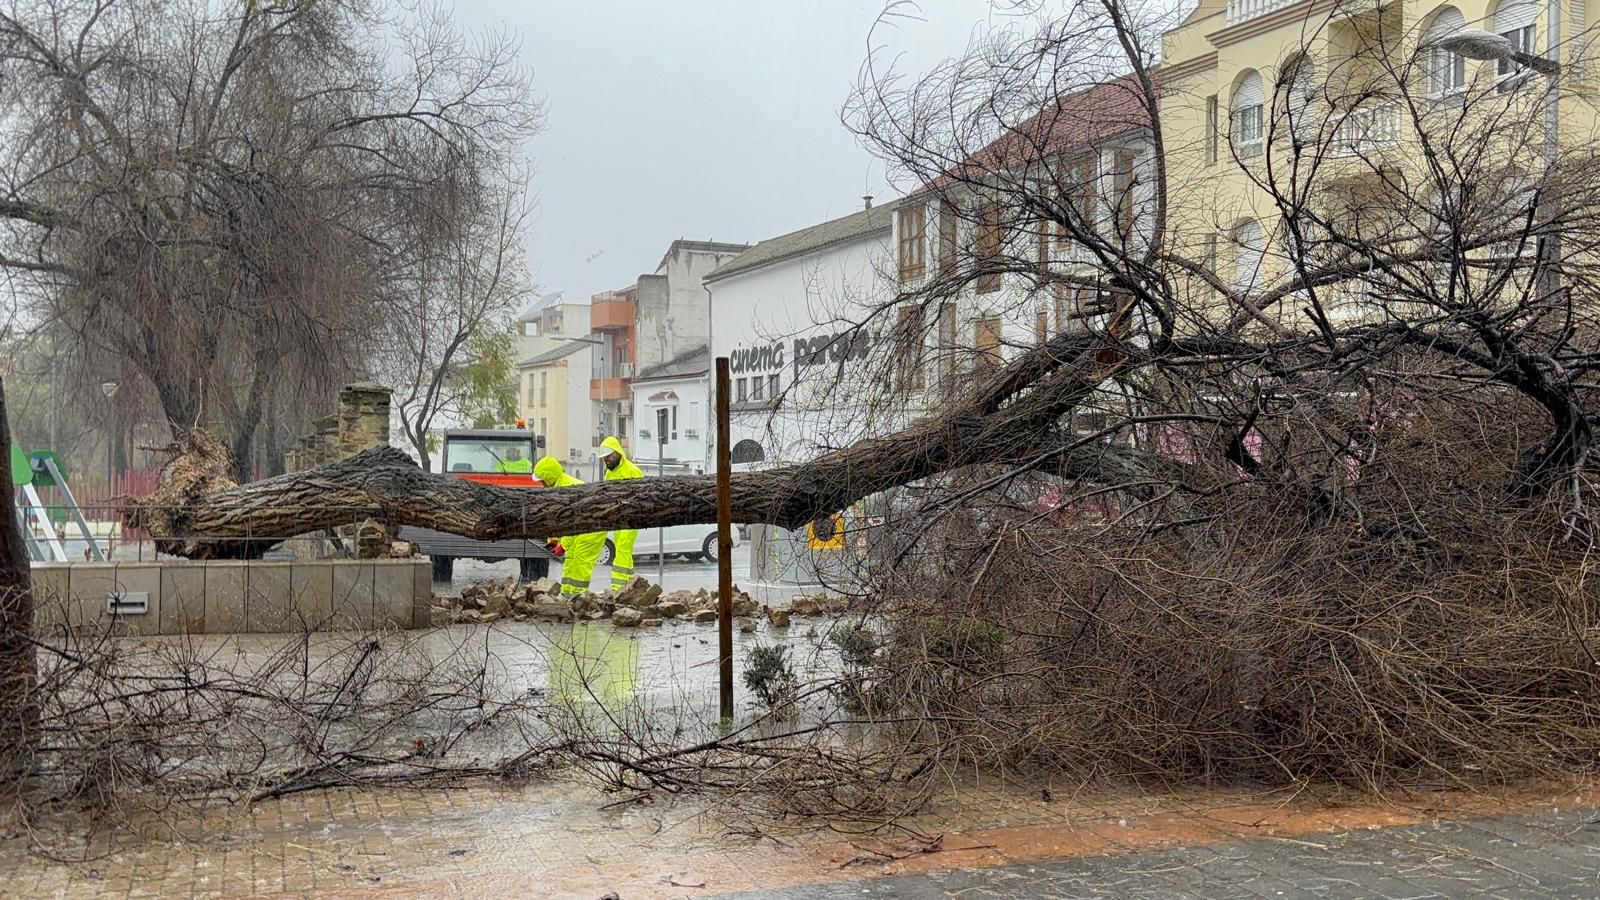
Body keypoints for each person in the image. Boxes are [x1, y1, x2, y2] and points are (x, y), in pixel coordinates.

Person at [534, 455, 607, 595]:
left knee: (580, 561)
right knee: (571, 560)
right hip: (582, 527)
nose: (541, 484)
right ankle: (567, 594)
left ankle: (578, 597)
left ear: (549, 477)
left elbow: (572, 523)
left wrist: (564, 545)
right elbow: (559, 521)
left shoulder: (568, 488)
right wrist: (554, 540)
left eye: (542, 480)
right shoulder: (558, 487)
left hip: (592, 528)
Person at [598, 435, 644, 590]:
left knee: (623, 548)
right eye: (604, 459)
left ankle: (618, 586)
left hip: (631, 517)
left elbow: (642, 495)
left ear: (617, 453)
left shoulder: (632, 470)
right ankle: (630, 581)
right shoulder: (609, 474)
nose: (607, 461)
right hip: (618, 519)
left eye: (609, 457)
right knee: (622, 549)